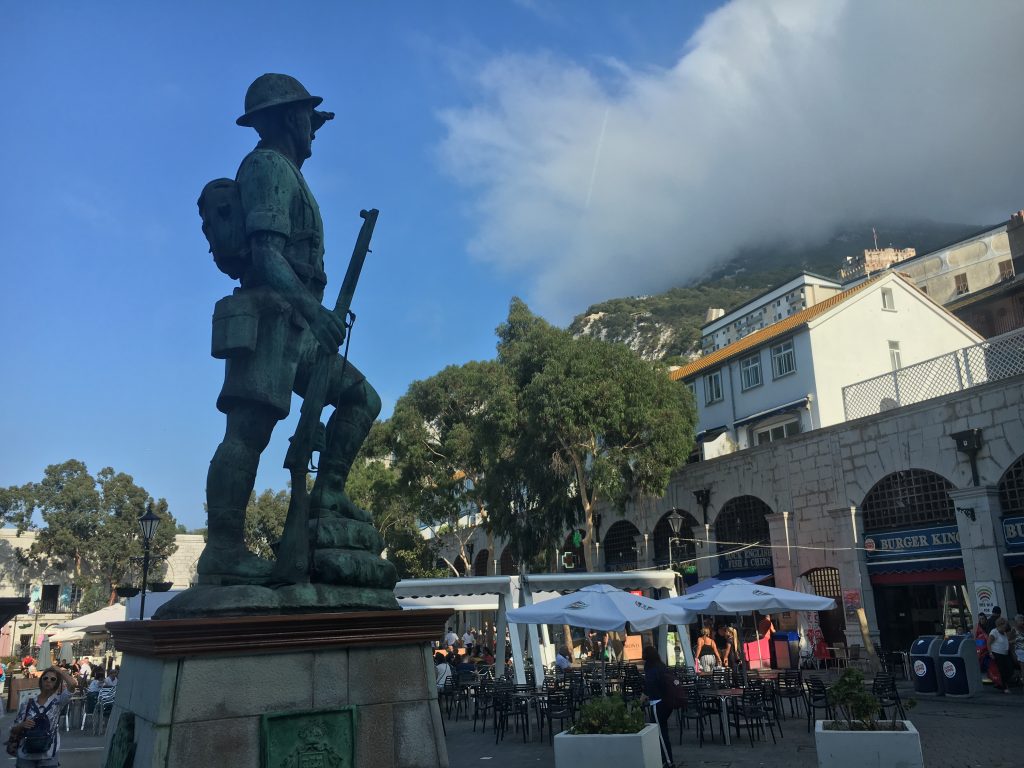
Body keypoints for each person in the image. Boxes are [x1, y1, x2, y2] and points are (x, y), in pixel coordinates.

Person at [195, 73, 390, 590]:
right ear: (288, 118)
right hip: (271, 317)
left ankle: (327, 494)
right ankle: (223, 550)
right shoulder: (267, 167)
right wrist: (313, 310)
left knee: (361, 398)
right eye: (307, 117)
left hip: (298, 324)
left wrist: (311, 313)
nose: (314, 128)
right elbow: (266, 254)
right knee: (248, 432)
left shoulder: (289, 172)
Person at [10, 666, 77, 768]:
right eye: (45, 678)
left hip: (48, 754)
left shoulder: (58, 701)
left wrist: (59, 671)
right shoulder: (27, 702)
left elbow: (72, 684)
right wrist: (22, 725)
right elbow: (14, 729)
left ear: (56, 684)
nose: (48, 681)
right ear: (41, 681)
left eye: (53, 679)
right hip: (26, 754)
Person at [641, 646, 675, 768]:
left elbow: (649, 686)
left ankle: (668, 761)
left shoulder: (650, 668)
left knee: (660, 733)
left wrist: (643, 697)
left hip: (657, 702)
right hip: (667, 701)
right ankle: (665, 759)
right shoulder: (662, 666)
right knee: (662, 730)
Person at [989, 616, 1015, 693]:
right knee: (1002, 671)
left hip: (1005, 653)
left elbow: (1006, 642)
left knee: (1010, 669)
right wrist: (990, 653)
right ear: (1000, 625)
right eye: (1005, 625)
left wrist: (1013, 640)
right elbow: (988, 642)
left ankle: (1001, 684)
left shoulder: (1004, 633)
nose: (1006, 627)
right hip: (997, 653)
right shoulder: (994, 632)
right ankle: (1004, 687)